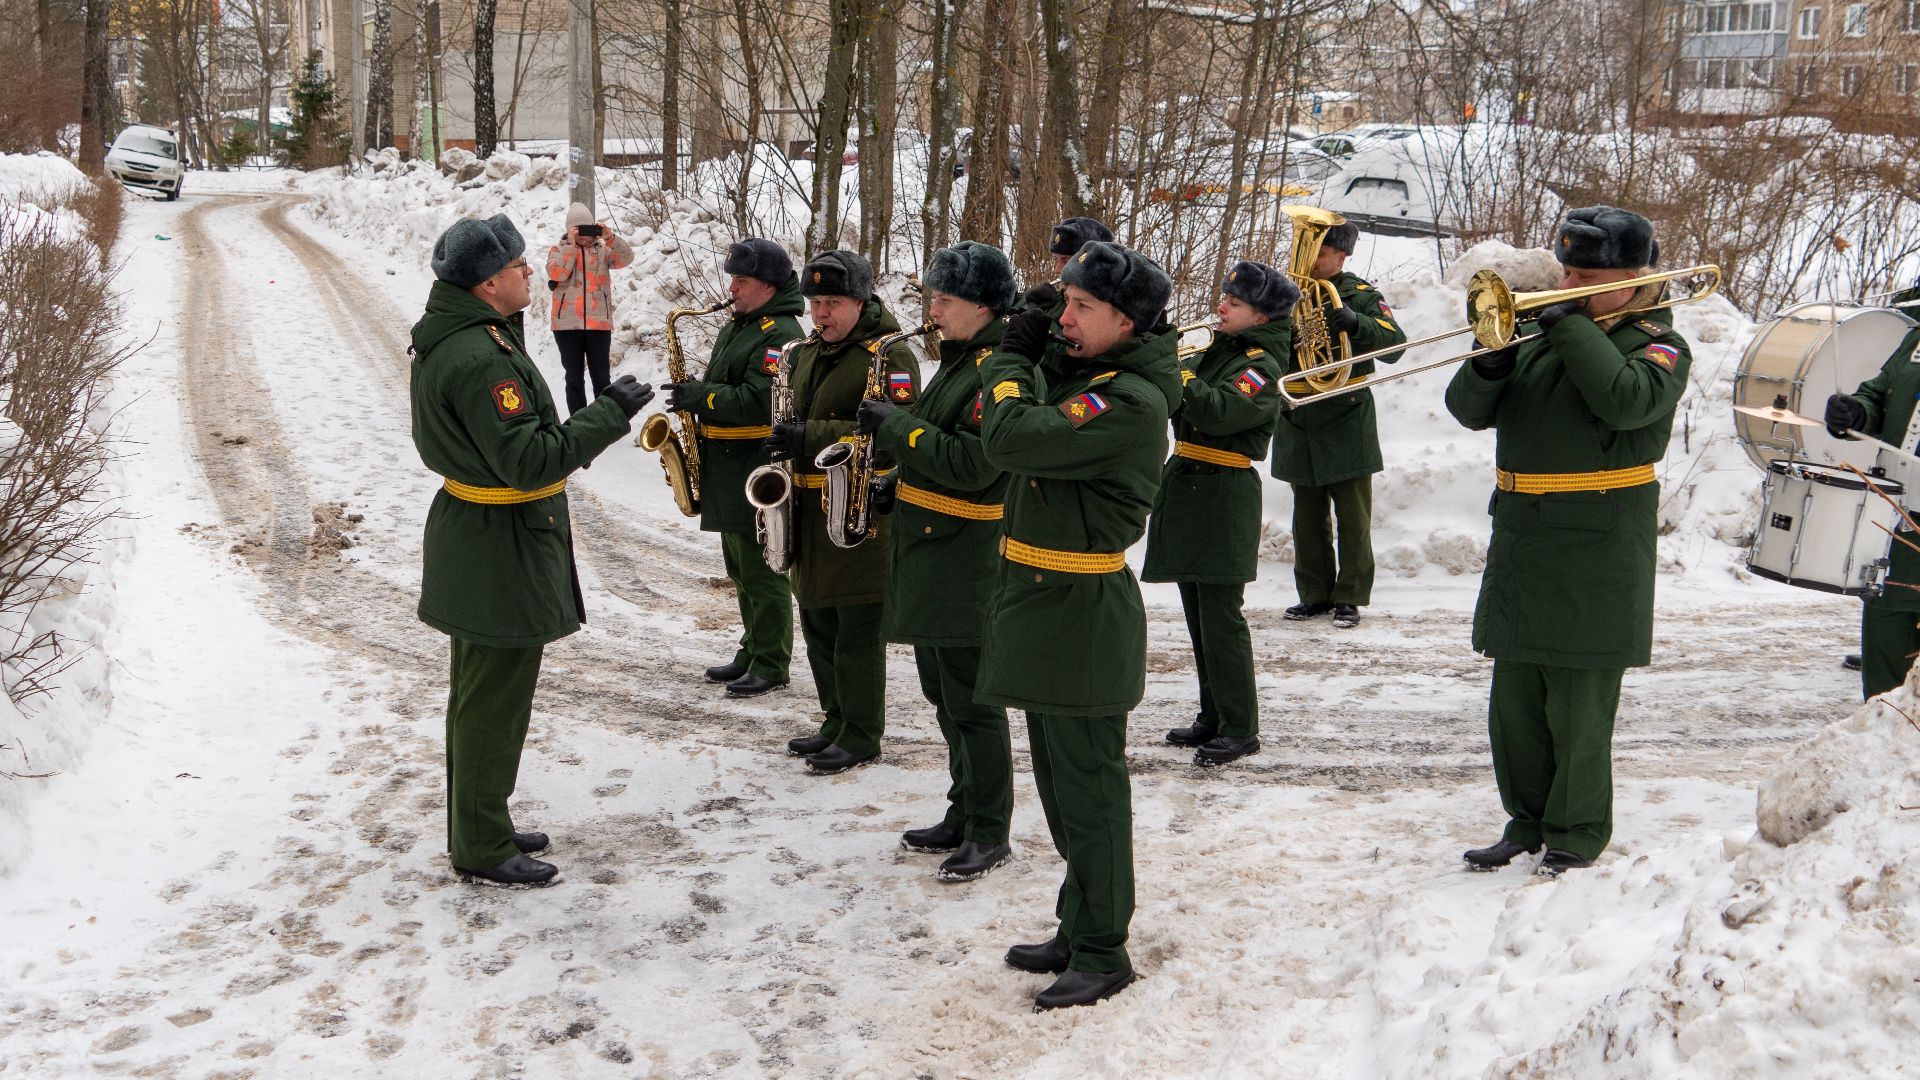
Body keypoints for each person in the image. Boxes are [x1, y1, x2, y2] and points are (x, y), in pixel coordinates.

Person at [1443, 205, 1689, 877]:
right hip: (1525, 533)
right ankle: (1525, 819)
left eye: (1584, 276)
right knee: (1515, 699)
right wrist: (1490, 364)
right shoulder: (1540, 330)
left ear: (1630, 278)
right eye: (1566, 271)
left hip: (1597, 542)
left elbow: (1625, 400)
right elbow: (1467, 412)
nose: (1568, 283)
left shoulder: (1657, 343)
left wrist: (1573, 328)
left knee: (1579, 702)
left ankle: (1576, 830)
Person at [410, 213, 655, 886]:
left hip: (483, 537)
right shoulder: (481, 358)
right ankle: (482, 845)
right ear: (489, 284)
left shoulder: (468, 335)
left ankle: (480, 820)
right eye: (518, 266)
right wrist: (607, 413)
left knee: (481, 696)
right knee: (491, 701)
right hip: (498, 547)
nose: (528, 272)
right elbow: (531, 461)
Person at [978, 240, 1180, 1011]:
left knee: (1091, 794)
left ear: (1126, 322)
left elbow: (1010, 438)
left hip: (1080, 613)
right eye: (1065, 303)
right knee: (1062, 789)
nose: (1065, 318)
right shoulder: (1097, 374)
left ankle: (1104, 949)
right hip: (1042, 600)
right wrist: (1041, 329)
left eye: (1082, 308)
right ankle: (1079, 919)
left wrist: (1007, 362)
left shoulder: (1129, 402)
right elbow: (1050, 392)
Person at [856, 241, 1017, 881]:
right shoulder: (960, 362)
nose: (933, 309)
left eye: (944, 299)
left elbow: (976, 466)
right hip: (931, 549)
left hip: (965, 558)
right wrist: (898, 482)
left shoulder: (994, 369)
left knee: (973, 700)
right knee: (942, 692)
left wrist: (897, 428)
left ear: (981, 306)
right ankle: (963, 806)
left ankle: (989, 828)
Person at [771, 250, 922, 774]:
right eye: (814, 303)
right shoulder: (806, 351)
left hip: (857, 508)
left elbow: (895, 432)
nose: (821, 314)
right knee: (817, 621)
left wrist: (807, 436)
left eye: (832, 303)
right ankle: (835, 719)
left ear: (861, 301)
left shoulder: (889, 355)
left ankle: (861, 732)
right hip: (809, 507)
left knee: (856, 628)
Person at [1149, 261, 1296, 767]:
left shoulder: (1262, 365)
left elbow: (1217, 410)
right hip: (1194, 484)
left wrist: (1178, 368)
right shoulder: (1224, 349)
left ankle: (1240, 726)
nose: (1220, 307)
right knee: (1198, 617)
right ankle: (1213, 715)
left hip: (1223, 490)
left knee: (1221, 618)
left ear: (1260, 317)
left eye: (1232, 303)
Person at [662, 238, 804, 698]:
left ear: (767, 286)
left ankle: (771, 661)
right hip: (727, 465)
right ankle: (753, 647)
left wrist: (699, 396)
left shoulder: (779, 334)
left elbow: (757, 400)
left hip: (752, 464)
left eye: (741, 280)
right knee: (740, 568)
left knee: (762, 571)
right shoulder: (740, 325)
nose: (733, 288)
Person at [1271, 219, 1407, 629]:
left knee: (1353, 516)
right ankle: (1313, 594)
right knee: (1306, 518)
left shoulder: (1360, 294)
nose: (1311, 261)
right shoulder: (1286, 294)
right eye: (1306, 251)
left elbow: (1395, 345)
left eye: (1322, 253)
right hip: (1300, 413)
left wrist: (1355, 323)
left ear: (1341, 257)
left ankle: (1349, 596)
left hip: (1346, 411)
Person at [1822, 315, 1920, 700]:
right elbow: (1881, 394)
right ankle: (1884, 753)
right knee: (1886, 675)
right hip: (1898, 521)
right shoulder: (1916, 341)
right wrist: (1858, 412)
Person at [545, 201, 635, 415]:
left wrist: (610, 237)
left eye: (587, 228)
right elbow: (557, 273)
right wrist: (572, 247)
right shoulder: (558, 250)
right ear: (570, 229)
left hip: (598, 324)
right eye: (579, 229)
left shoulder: (603, 251)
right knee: (574, 377)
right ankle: (579, 422)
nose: (584, 234)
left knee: (601, 377)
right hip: (566, 325)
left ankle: (605, 420)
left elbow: (627, 258)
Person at [1018, 216, 1114, 316]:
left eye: (1066, 260)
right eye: (1057, 259)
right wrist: (1022, 306)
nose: (1057, 270)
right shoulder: (1055, 300)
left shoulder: (1116, 308)